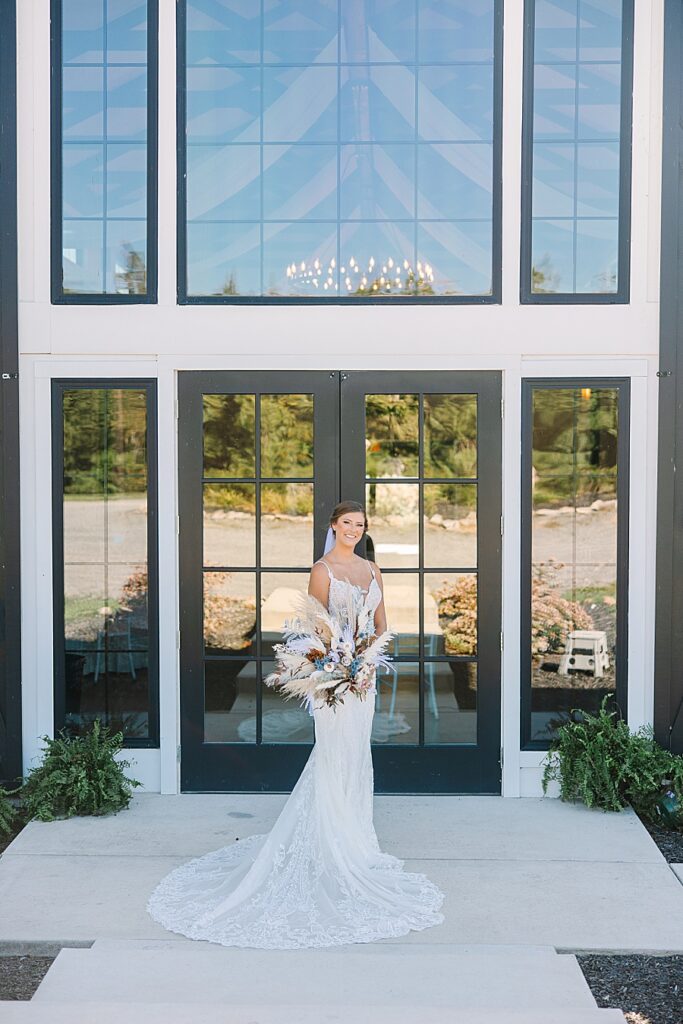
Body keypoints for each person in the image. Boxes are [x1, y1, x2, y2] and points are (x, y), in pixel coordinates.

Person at [146, 500, 445, 948]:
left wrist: (367, 660)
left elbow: (383, 625)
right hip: (331, 680)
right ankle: (329, 843)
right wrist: (337, 663)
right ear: (333, 526)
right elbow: (316, 626)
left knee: (356, 757)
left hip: (361, 679)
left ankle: (357, 842)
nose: (354, 529)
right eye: (347, 523)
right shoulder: (322, 569)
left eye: (360, 524)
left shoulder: (374, 569)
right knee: (332, 754)